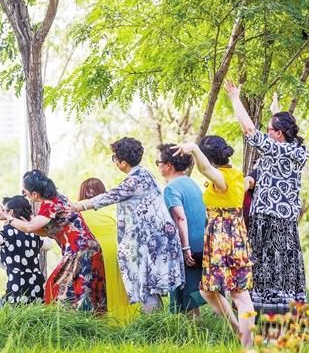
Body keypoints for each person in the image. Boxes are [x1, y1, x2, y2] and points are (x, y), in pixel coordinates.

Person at [225, 81, 309, 315]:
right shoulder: (297, 150)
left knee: (268, 262)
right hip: (286, 219)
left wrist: (235, 99)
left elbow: (249, 131)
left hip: (268, 218)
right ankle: (283, 309)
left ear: (278, 134)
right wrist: (275, 111)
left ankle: (268, 310)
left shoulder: (277, 149)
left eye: (270, 129)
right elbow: (282, 134)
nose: (267, 131)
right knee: (284, 262)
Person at [71, 138, 184, 312]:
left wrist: (76, 206)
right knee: (150, 288)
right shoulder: (145, 174)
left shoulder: (133, 181)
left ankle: (154, 326)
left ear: (123, 162)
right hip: (157, 239)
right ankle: (160, 324)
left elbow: (107, 197)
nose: (114, 162)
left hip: (149, 243)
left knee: (144, 288)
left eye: (114, 158)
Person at [172, 136, 256, 348]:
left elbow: (206, 169)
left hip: (223, 238)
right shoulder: (233, 175)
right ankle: (240, 333)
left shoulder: (222, 177)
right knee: (208, 291)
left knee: (239, 295)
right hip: (230, 237)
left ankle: (248, 347)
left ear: (208, 157)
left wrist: (193, 149)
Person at [0, 170, 106, 312]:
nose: (25, 195)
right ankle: (88, 321)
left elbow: (30, 228)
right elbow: (44, 230)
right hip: (90, 248)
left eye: (25, 192)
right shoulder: (59, 198)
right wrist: (24, 224)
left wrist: (8, 218)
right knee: (85, 292)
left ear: (34, 194)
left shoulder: (49, 205)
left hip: (79, 251)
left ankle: (69, 322)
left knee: (57, 288)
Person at [77, 178, 139, 324]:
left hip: (96, 251)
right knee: (121, 287)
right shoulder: (112, 208)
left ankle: (105, 324)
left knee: (100, 288)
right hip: (119, 249)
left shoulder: (78, 211)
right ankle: (127, 322)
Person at [156, 144, 207, 316]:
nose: (158, 166)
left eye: (159, 162)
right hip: (202, 243)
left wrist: (185, 248)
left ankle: (194, 330)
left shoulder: (171, 188)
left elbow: (180, 218)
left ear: (169, 165)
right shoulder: (192, 183)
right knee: (195, 290)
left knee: (187, 296)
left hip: (188, 246)